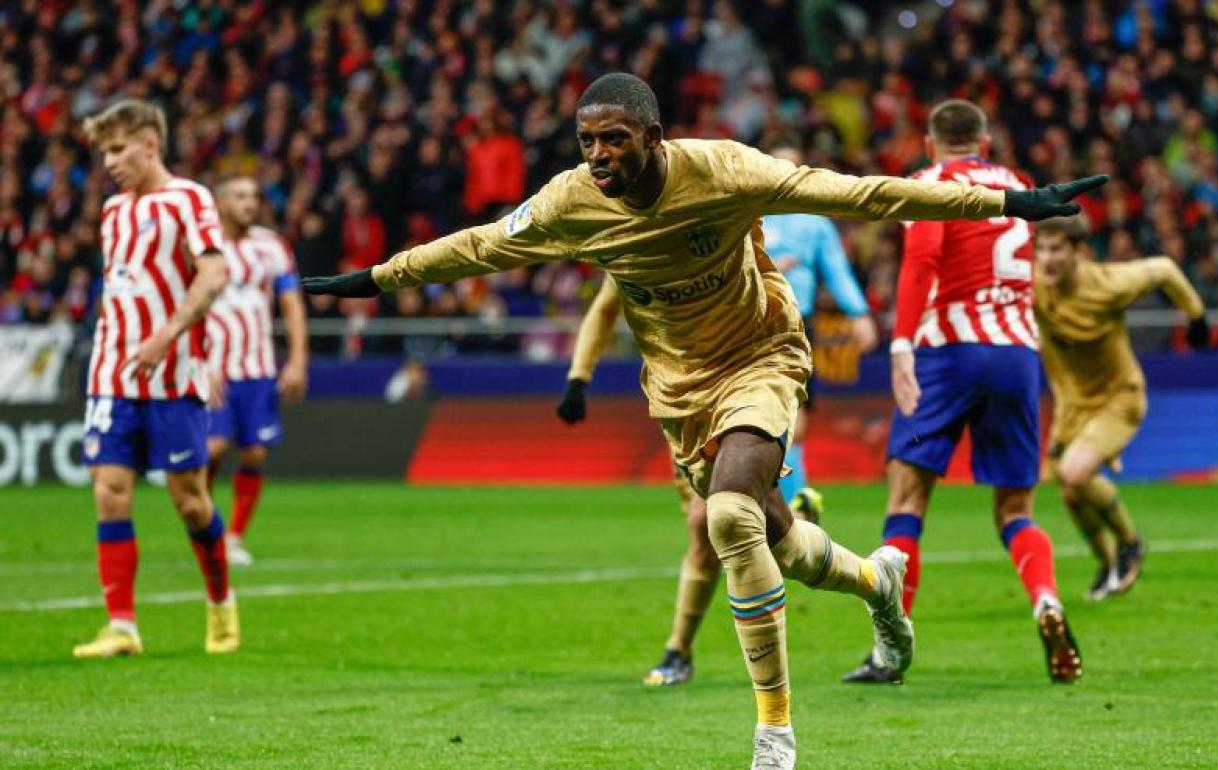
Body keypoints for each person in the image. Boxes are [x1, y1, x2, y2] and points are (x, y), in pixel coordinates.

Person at [305, 74, 1103, 769]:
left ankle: (775, 735)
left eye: (614, 140)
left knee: (725, 518)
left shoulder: (722, 170)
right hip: (678, 391)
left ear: (654, 137)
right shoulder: (570, 200)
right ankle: (876, 582)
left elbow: (864, 194)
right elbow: (481, 246)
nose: (598, 156)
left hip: (761, 357)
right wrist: (378, 278)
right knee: (780, 542)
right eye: (587, 142)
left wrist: (1005, 203)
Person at [842, 99, 1084, 686]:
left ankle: (889, 652)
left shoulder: (930, 181)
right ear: (986, 140)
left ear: (930, 143)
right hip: (1016, 354)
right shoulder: (1017, 183)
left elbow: (922, 260)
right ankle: (1046, 600)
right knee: (1016, 510)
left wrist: (902, 347)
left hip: (946, 355)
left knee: (908, 498)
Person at [554, 276, 820, 690]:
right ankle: (802, 522)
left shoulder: (721, 242)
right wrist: (578, 377)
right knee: (721, 533)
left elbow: (773, 299)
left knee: (706, 520)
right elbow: (606, 306)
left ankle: (680, 651)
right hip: (683, 411)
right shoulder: (631, 248)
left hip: (742, 390)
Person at [74, 100, 239, 658]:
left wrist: (169, 336)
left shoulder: (188, 199)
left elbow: (213, 273)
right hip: (112, 372)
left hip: (173, 373)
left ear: (150, 144)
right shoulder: (113, 211)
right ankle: (122, 626)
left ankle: (221, 602)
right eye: (104, 153)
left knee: (189, 500)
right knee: (109, 489)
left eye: (118, 149)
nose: (109, 162)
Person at [1032, 217, 1208, 598]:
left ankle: (1130, 542)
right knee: (1069, 492)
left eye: (1057, 248)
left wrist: (1196, 317)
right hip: (1073, 405)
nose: (1046, 259)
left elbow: (1165, 269)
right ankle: (1108, 564)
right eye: (1041, 249)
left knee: (1075, 472)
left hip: (1119, 397)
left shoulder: (1108, 284)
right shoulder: (1033, 285)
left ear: (1079, 251)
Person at [764, 144, 878, 513]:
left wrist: (859, 314)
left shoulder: (814, 223)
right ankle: (781, 502)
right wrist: (766, 270)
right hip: (749, 326)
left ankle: (794, 502)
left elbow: (837, 271)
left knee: (796, 418)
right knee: (760, 418)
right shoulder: (747, 217)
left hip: (797, 327)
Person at [205, 176, 308, 566]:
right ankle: (205, 528)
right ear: (220, 202)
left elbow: (291, 304)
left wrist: (297, 360)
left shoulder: (272, 246)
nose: (249, 203)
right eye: (240, 196)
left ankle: (233, 537)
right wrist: (195, 362)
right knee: (214, 448)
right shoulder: (201, 246)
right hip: (212, 368)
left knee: (254, 453)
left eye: (253, 196)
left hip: (258, 367)